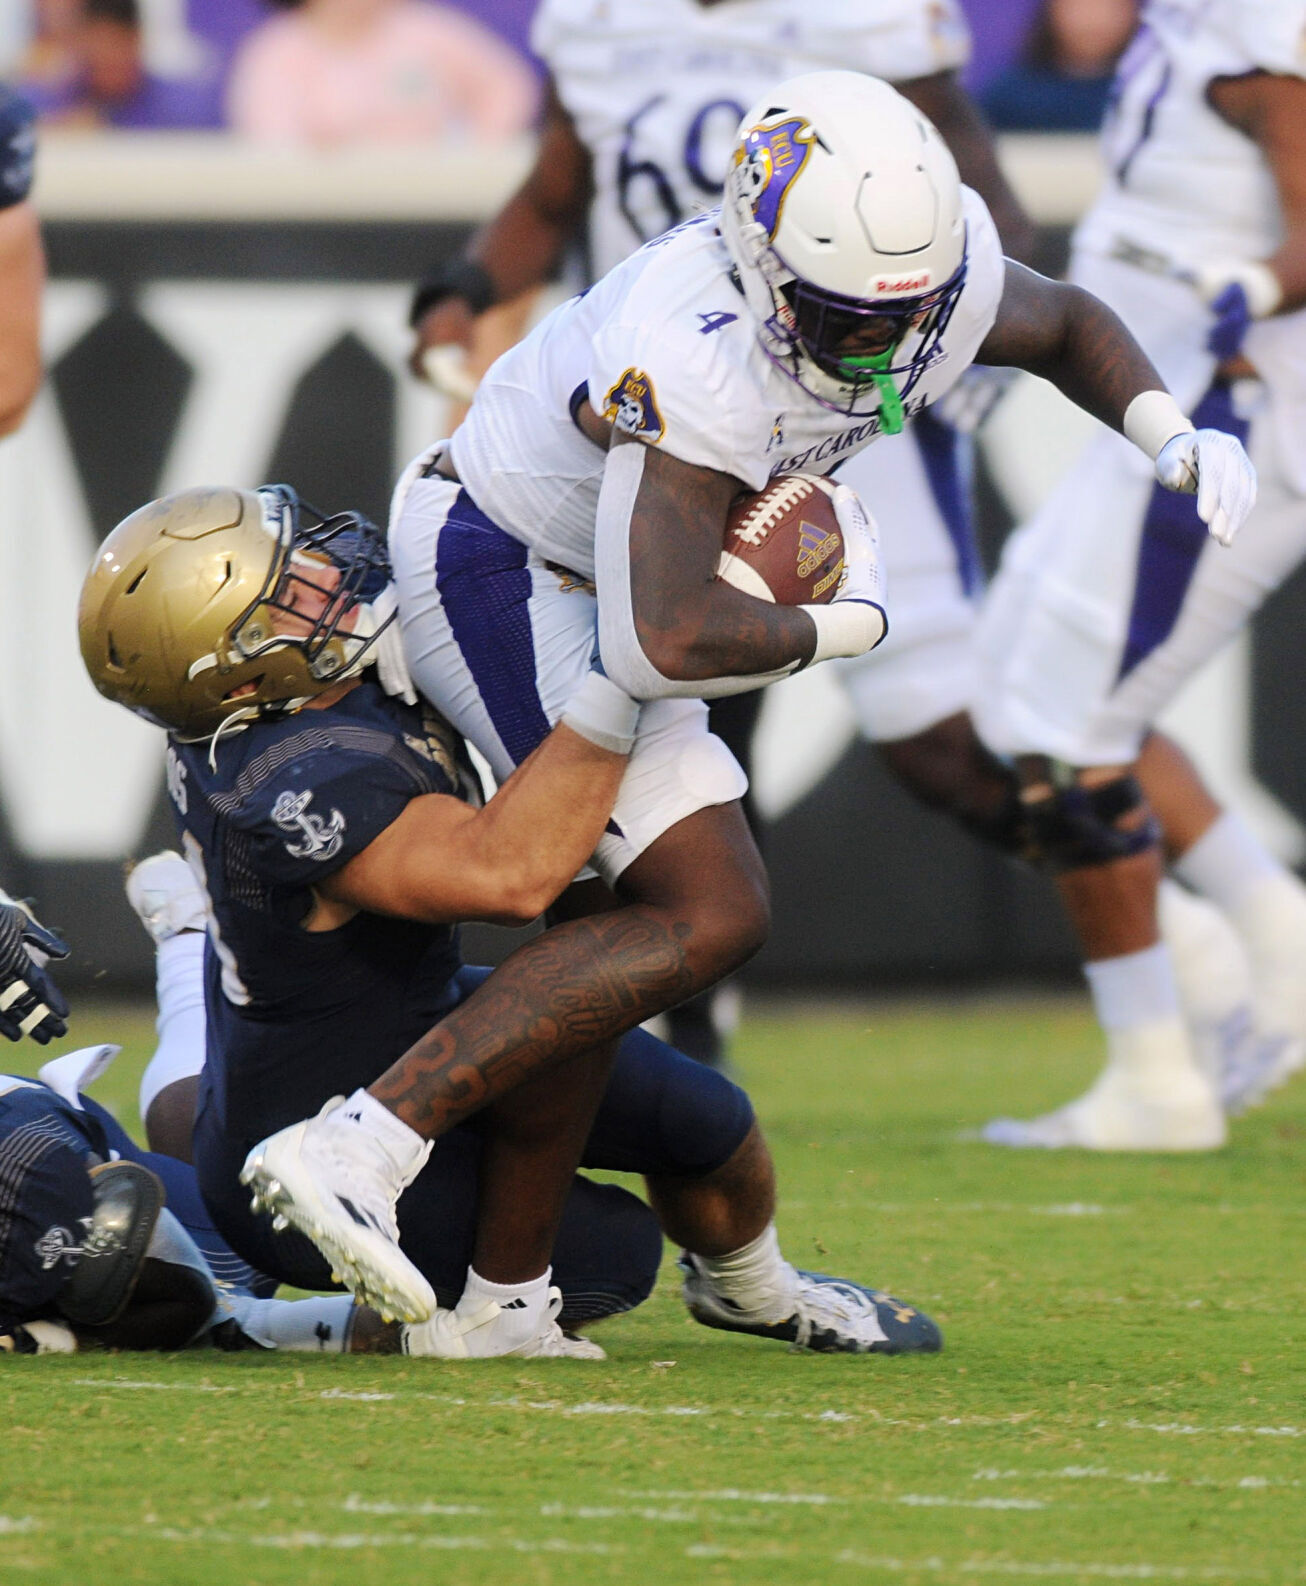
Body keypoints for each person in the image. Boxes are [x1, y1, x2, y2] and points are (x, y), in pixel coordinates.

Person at [259, 68, 1255, 1317]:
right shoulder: (695, 349)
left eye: (904, 315)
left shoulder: (915, 274)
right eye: (841, 319)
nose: (880, 348)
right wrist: (847, 620)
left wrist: (1168, 430)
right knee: (700, 906)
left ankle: (496, 1302)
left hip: (609, 579)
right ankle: (362, 1141)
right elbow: (665, 634)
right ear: (757, 257)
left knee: (617, 929)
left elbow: (1060, 326)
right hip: (508, 562)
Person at [79, 481, 940, 1358]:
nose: (328, 571)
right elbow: (513, 876)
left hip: (379, 1022)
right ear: (249, 669)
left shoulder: (291, 694)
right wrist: (624, 669)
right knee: (615, 1254)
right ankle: (306, 1314)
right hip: (305, 1117)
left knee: (710, 1125)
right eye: (293, 587)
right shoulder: (300, 777)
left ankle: (759, 1292)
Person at [408, 0, 1039, 1065]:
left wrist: (965, 331)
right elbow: (558, 184)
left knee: (938, 743)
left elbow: (980, 200)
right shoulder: (594, 20)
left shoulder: (869, 21)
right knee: (674, 685)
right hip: (676, 405)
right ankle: (674, 1026)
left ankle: (1162, 917)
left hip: (836, 392)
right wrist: (464, 287)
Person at [971, 0, 1306, 1149]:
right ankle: (1268, 934)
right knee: (1023, 683)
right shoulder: (1197, 20)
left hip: (1234, 429)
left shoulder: (1266, 33)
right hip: (1159, 422)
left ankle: (1156, 1073)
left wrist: (1255, 290)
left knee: (1065, 732)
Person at [0, 1050, 375, 1356]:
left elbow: (187, 1301)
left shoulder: (30, 1168)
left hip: (82, 1175)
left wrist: (56, 1335)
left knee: (280, 1258)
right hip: (58, 1175)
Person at [225, 0, 538, 148]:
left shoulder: (426, 30)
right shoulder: (277, 50)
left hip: (435, 204)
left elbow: (508, 87)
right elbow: (272, 147)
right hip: (328, 217)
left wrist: (476, 149)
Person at [19, 0, 228, 130]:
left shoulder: (188, 111)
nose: (106, 60)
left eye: (115, 46)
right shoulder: (42, 104)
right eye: (97, 49)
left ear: (137, 39)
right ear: (78, 42)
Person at [981, 0, 1139, 132]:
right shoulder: (1009, 96)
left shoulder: (1142, 94)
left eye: (1109, 7)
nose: (1093, 20)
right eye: (1079, 6)